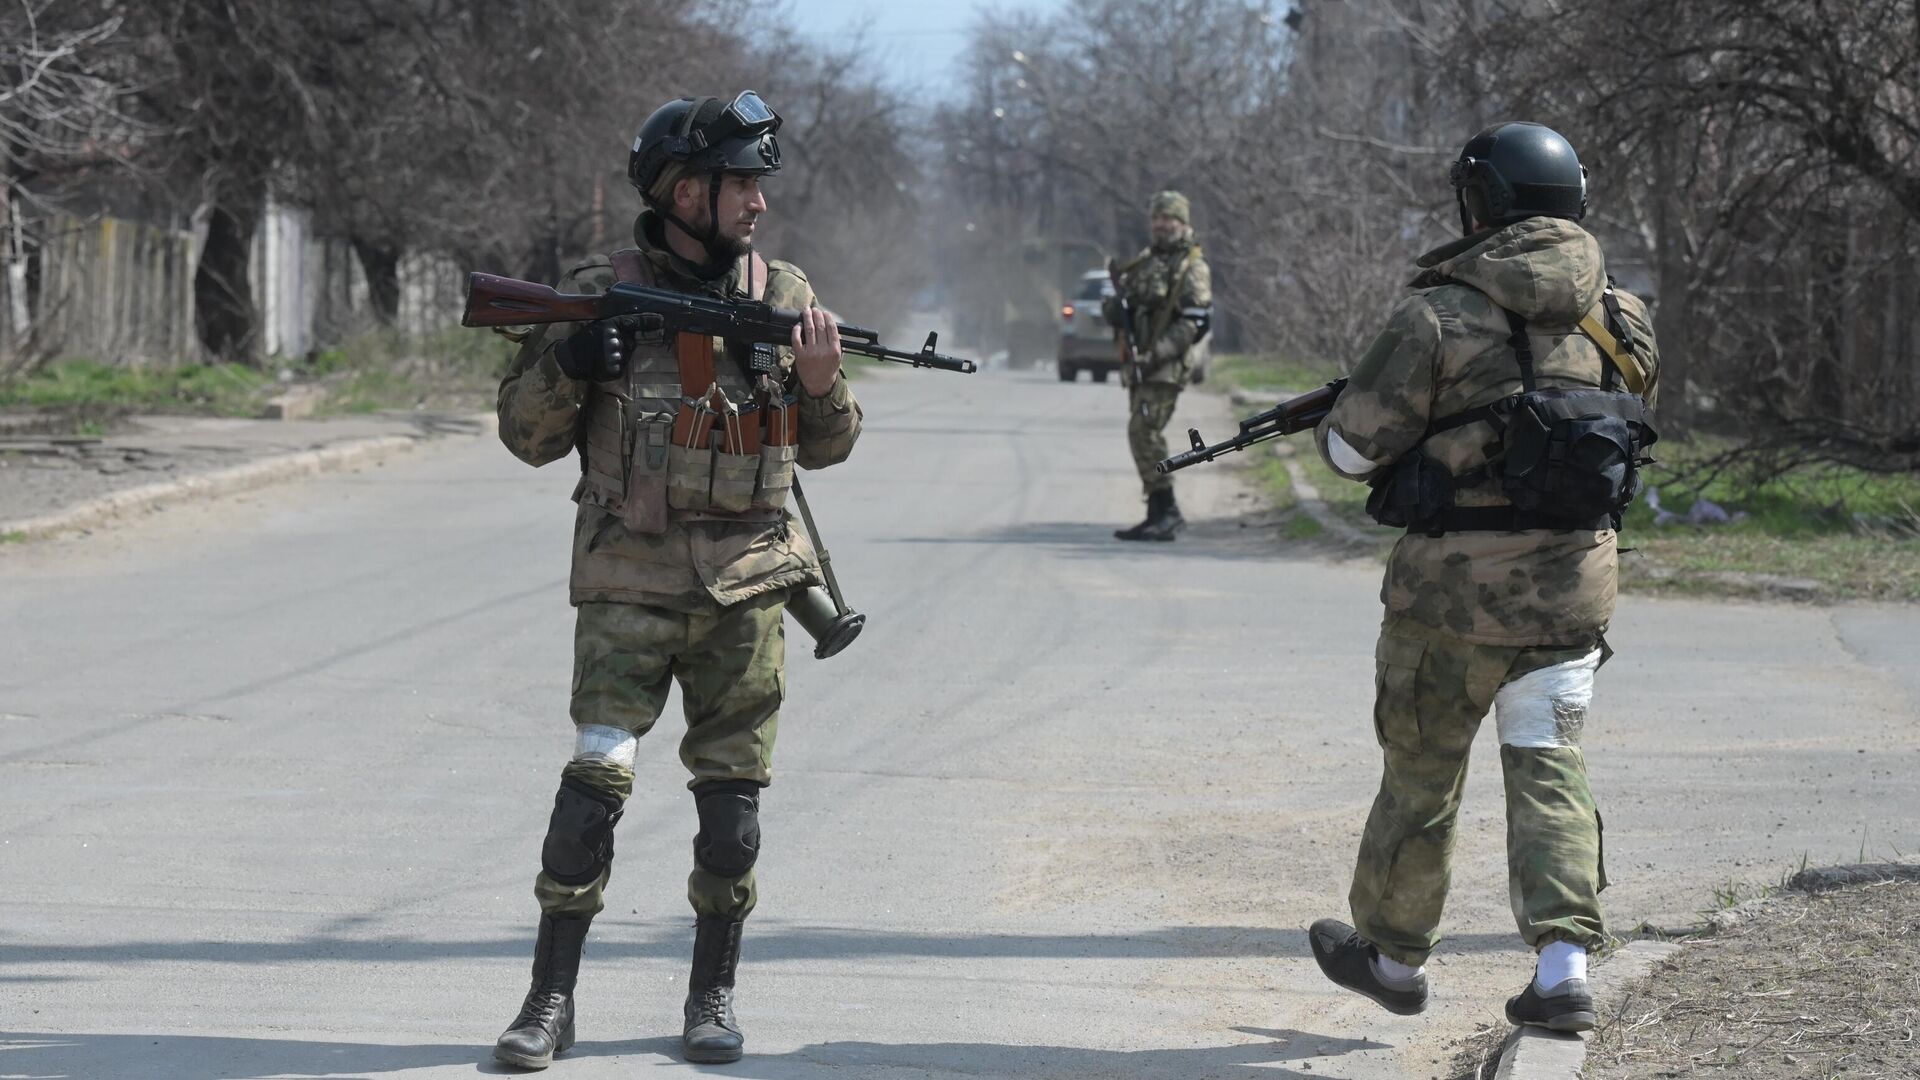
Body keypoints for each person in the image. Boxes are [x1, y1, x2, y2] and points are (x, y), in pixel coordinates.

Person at [489, 91, 861, 1068]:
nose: (758, 203)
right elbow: (527, 439)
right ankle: (549, 1001)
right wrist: (572, 361)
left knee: (732, 817)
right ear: (684, 191)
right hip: (627, 582)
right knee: (592, 791)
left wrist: (820, 388)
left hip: (746, 589)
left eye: (758, 184)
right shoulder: (597, 288)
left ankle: (711, 996)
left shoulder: (781, 295)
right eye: (742, 183)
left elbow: (829, 449)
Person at [1305, 121, 1660, 1033]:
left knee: (1422, 780)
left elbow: (1349, 453)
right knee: (1551, 774)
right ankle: (1563, 971)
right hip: (1570, 599)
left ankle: (1391, 958)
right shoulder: (1623, 317)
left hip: (1446, 607)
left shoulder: (1437, 315)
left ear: (1483, 206)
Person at [1103, 190, 1213, 541]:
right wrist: (1115, 306)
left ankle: (1167, 511)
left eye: (1169, 219)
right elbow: (1128, 309)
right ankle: (1158, 511)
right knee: (1141, 434)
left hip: (1165, 365)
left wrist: (1157, 354)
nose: (1161, 225)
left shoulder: (1192, 267)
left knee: (1144, 431)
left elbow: (1193, 323)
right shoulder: (1147, 261)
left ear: (1183, 223)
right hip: (1139, 363)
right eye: (1157, 218)